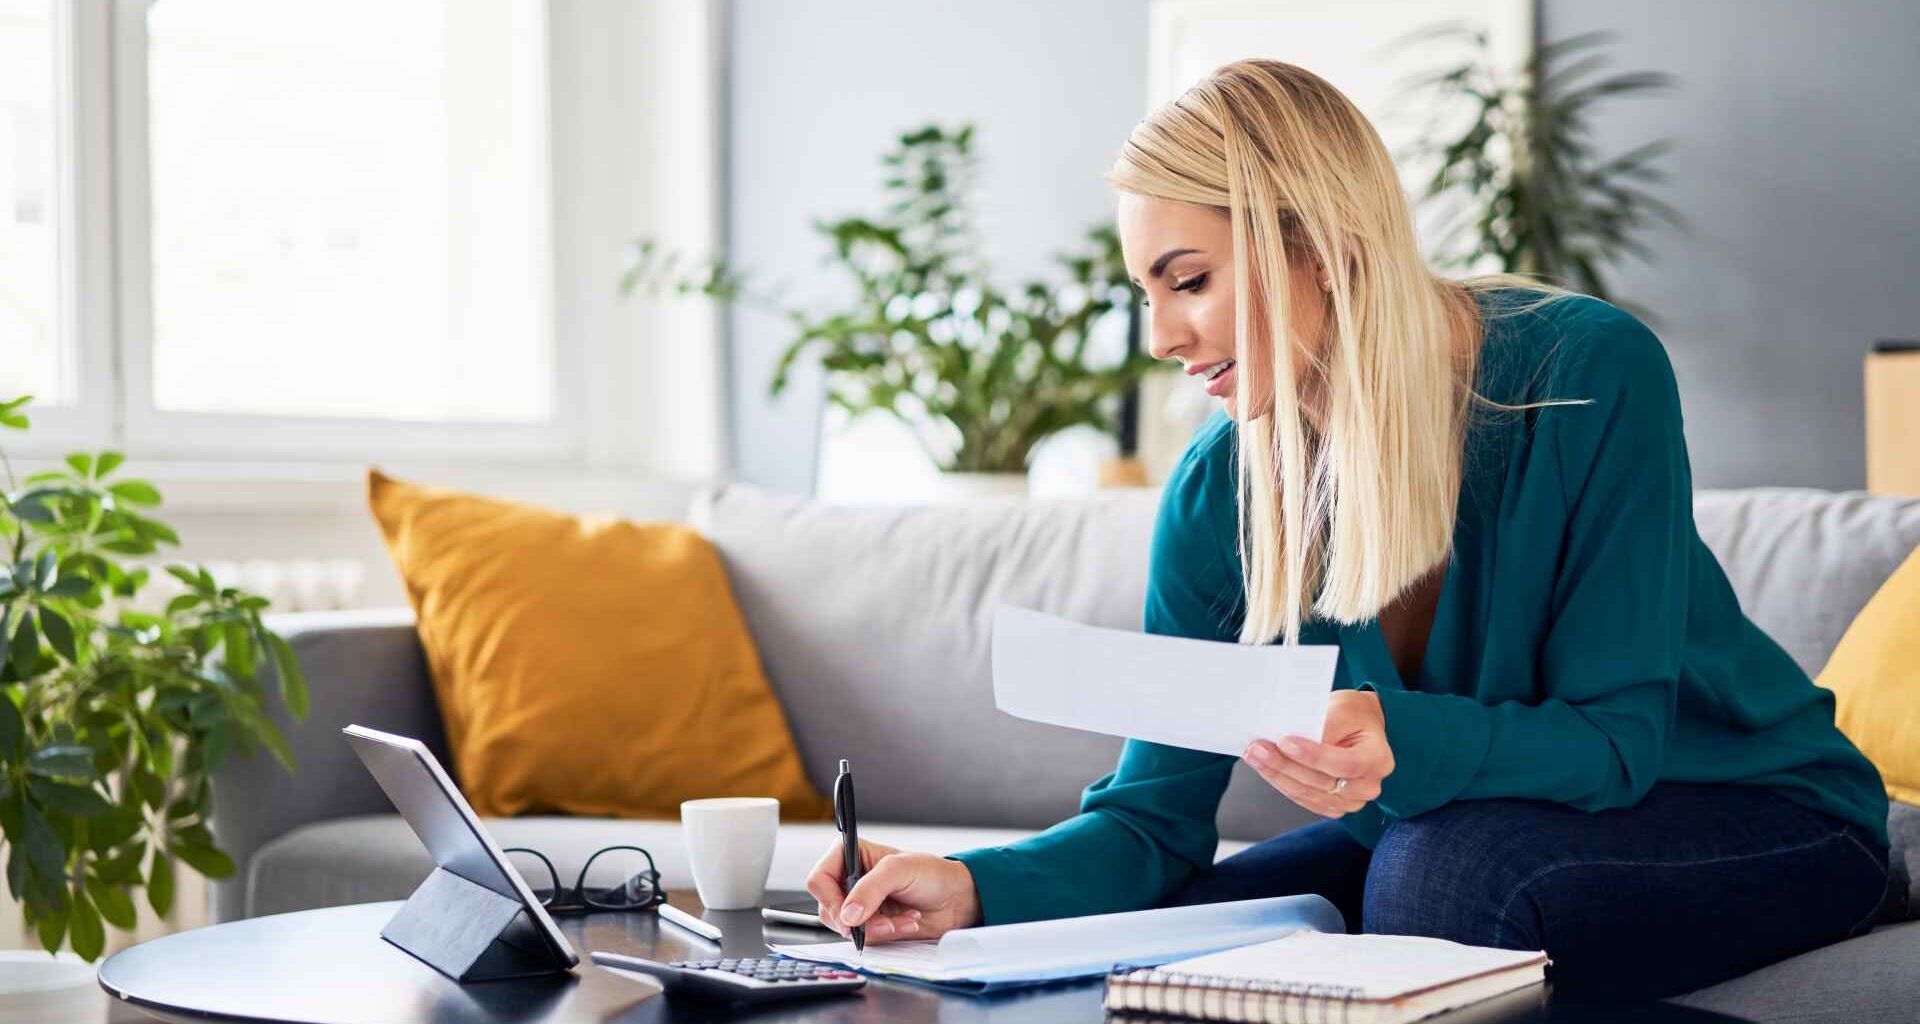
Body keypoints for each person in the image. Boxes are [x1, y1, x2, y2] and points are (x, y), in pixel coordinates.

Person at [804, 59, 1891, 997]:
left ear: (1319, 245)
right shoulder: (1220, 490)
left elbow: (1617, 742)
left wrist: (1399, 733)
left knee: (1437, 877)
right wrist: (974, 886)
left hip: (1751, 808)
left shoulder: (1583, 373)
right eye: (1146, 292)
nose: (1161, 336)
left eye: (1188, 281)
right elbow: (1152, 824)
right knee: (1187, 936)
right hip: (1463, 824)